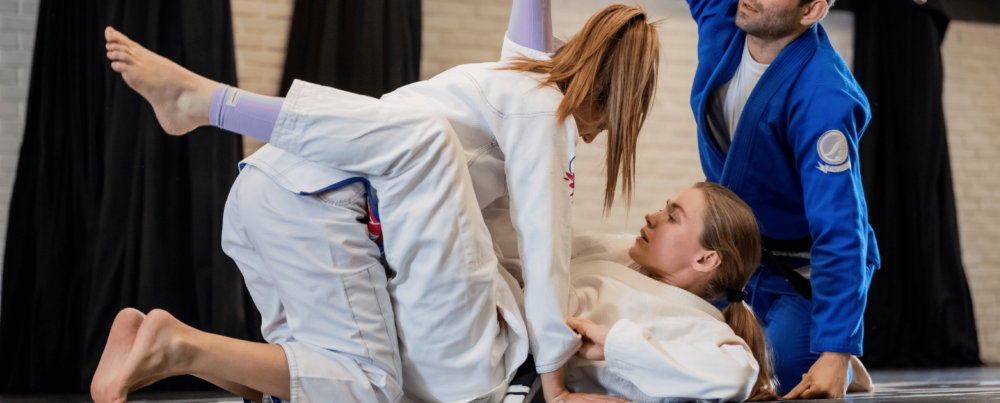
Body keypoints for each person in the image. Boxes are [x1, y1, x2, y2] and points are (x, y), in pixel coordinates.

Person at [92, 2, 660, 402]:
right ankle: (173, 345)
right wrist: (556, 383)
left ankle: (146, 338)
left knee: (313, 376)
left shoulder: (516, 72)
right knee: (367, 387)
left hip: (265, 183)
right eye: (621, 120)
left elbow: (530, 19)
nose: (604, 134)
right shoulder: (544, 113)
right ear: (620, 100)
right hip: (322, 209)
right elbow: (546, 251)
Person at [682, 0, 878, 399]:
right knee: (686, 352)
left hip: (805, 270)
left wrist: (836, 350)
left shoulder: (824, 96)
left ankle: (840, 360)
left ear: (812, 11)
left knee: (776, 375)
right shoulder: (728, 20)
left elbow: (840, 228)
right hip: (740, 253)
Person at [543, 182, 778, 402]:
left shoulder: (702, 329)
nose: (652, 217)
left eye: (673, 218)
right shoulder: (623, 253)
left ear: (705, 259)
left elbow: (739, 375)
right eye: (663, 209)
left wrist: (613, 345)